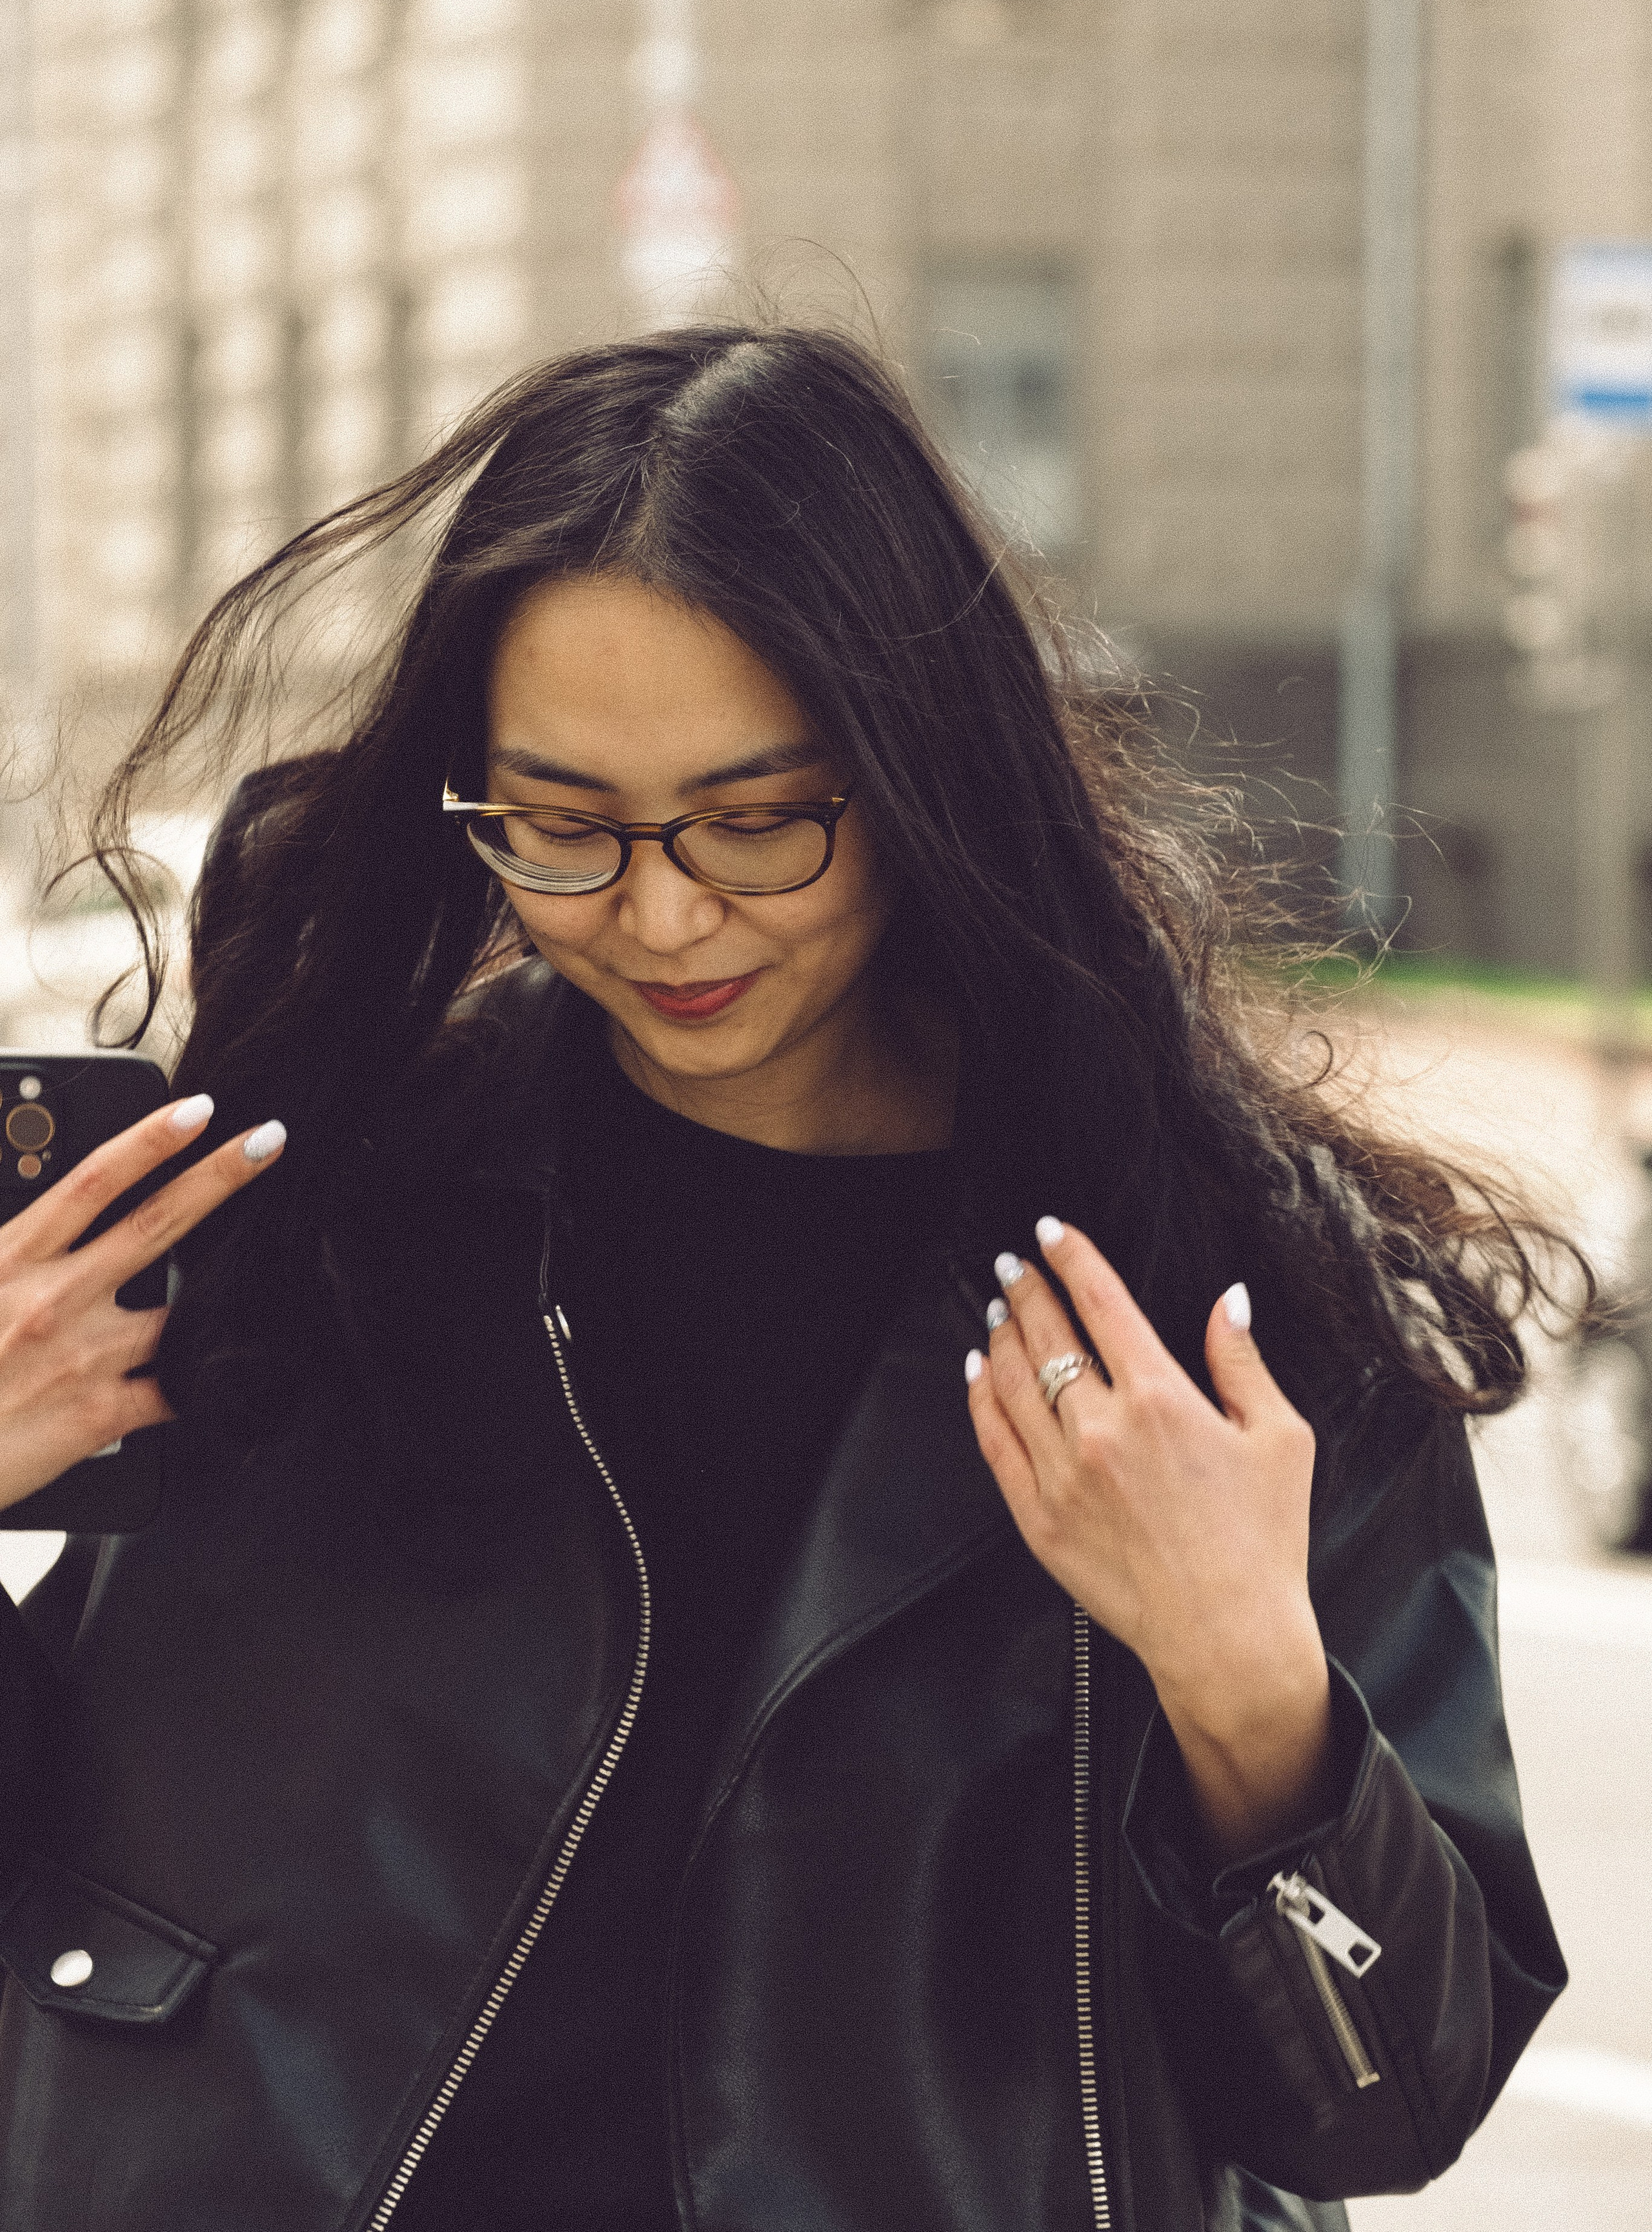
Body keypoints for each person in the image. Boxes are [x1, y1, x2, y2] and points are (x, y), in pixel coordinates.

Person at [0, 327, 1570, 2232]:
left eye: (757, 821)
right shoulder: (314, 1213)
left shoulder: (1223, 1298)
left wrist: (1247, 1680)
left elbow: (1388, 2106)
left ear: (922, 774)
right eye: (561, 828)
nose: (660, 915)